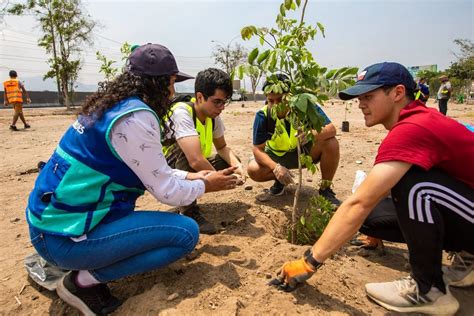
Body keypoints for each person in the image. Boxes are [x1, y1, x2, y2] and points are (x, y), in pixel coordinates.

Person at [25, 43, 239, 315]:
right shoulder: (135, 117)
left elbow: (152, 170)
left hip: (54, 224)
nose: (173, 92)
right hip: (64, 237)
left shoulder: (112, 107)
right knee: (185, 233)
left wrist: (191, 176)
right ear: (157, 83)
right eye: (171, 83)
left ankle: (85, 263)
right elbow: (166, 191)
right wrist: (206, 184)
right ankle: (81, 282)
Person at [272, 62, 473, 315]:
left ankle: (428, 290)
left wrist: (309, 262)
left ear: (398, 93)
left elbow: (359, 202)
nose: (360, 103)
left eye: (369, 96)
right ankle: (469, 257)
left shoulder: (413, 128)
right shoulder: (417, 120)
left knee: (416, 188)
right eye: (359, 97)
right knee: (374, 217)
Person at [163, 68, 244, 235]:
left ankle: (185, 202)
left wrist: (237, 168)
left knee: (228, 161)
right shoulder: (182, 112)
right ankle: (189, 212)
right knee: (186, 153)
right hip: (166, 170)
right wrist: (221, 179)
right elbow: (195, 160)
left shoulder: (213, 117)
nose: (221, 107)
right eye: (217, 101)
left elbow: (222, 147)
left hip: (192, 166)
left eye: (224, 102)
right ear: (200, 97)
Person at [247, 74, 341, 206]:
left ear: (290, 96)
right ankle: (280, 180)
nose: (275, 105)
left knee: (331, 143)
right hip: (278, 158)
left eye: (279, 99)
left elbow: (331, 129)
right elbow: (257, 149)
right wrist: (276, 168)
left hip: (303, 154)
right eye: (270, 100)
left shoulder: (304, 106)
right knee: (253, 170)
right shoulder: (263, 116)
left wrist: (310, 134)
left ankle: (326, 190)